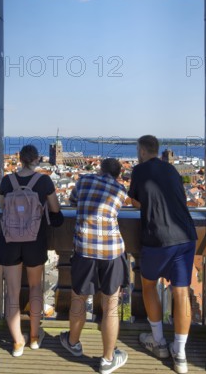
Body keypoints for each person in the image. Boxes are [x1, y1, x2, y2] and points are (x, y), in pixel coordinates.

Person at [128, 135, 198, 374]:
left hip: (157, 238)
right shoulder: (172, 170)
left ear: (142, 151)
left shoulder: (139, 170)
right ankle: (180, 353)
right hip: (185, 235)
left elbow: (136, 202)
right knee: (181, 293)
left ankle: (158, 341)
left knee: (148, 286)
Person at [60, 158, 129, 374]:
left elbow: (73, 201)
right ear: (118, 175)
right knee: (111, 305)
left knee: (79, 298)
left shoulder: (83, 181)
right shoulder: (120, 189)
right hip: (111, 252)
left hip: (84, 250)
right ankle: (108, 359)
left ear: (100, 169)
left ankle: (72, 343)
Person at [0, 145, 62, 357]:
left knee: (12, 292)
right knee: (35, 288)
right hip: (35, 240)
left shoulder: (7, 180)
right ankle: (34, 337)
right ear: (37, 160)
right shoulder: (44, 181)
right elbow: (55, 210)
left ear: (20, 159)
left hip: (10, 240)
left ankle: (17, 343)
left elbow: (3, 207)